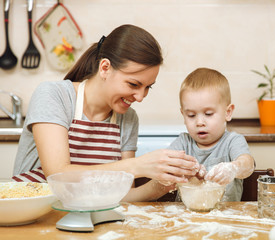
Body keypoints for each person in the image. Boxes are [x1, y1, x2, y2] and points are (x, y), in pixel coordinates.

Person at [12, 24, 200, 201]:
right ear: (105, 68)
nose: (141, 97)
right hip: (32, 213)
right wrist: (138, 166)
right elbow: (57, 174)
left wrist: (163, 183)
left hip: (86, 214)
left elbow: (125, 195)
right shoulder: (54, 95)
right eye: (134, 84)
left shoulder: (128, 118)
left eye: (148, 87)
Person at [168, 67, 255, 201]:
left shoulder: (232, 141)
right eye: (191, 115)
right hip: (186, 217)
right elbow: (163, 167)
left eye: (208, 114)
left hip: (224, 217)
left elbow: (247, 165)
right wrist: (179, 171)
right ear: (183, 115)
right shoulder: (183, 143)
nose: (199, 122)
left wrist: (233, 168)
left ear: (228, 112)